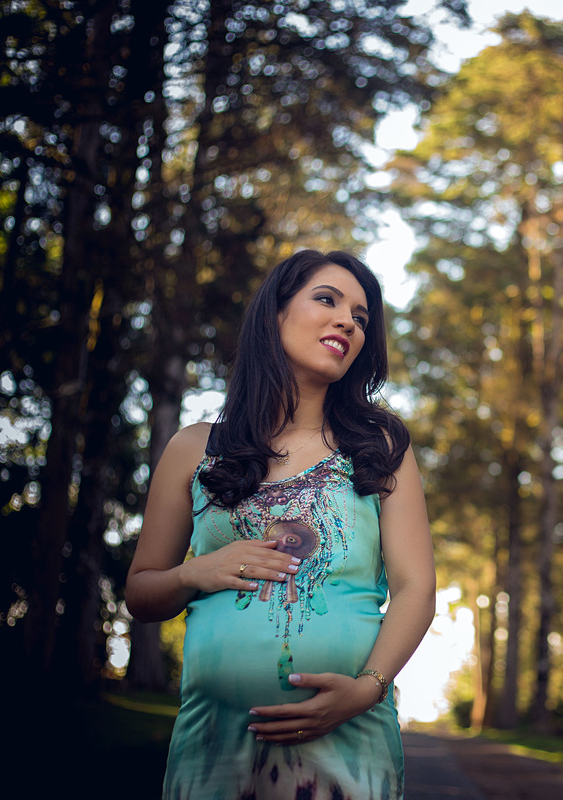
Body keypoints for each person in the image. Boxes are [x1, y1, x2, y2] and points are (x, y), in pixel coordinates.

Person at [126, 250, 435, 800]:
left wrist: (367, 690)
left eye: (361, 318)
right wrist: (198, 570)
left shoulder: (380, 445)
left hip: (348, 741)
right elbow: (142, 592)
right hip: (215, 747)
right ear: (274, 314)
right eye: (327, 299)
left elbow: (416, 588)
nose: (348, 321)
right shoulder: (195, 448)